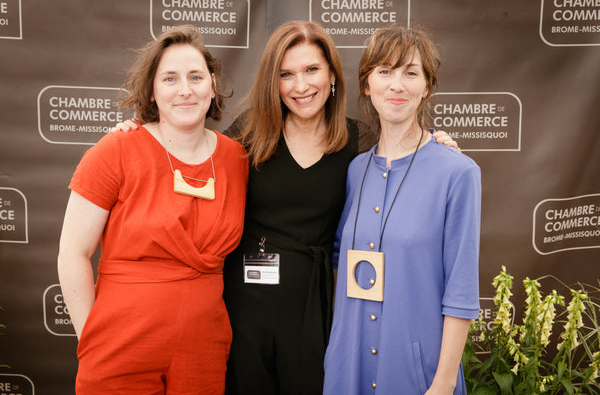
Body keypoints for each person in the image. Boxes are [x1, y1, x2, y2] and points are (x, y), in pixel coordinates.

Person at [112, 21, 459, 395]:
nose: (301, 85)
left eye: (311, 70)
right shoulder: (249, 134)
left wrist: (434, 145)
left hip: (317, 313)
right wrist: (142, 133)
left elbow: (403, 157)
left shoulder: (361, 142)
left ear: (332, 75)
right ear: (273, 83)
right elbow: (189, 158)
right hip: (244, 312)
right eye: (286, 74)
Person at [57, 25, 248, 394]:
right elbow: (72, 253)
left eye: (195, 77)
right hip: (119, 346)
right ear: (152, 90)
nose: (185, 90)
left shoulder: (236, 159)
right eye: (170, 78)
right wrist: (91, 340)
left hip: (203, 350)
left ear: (212, 83)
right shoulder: (116, 151)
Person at [322, 25, 481, 395]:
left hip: (417, 372)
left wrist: (442, 382)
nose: (397, 84)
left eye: (410, 72)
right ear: (366, 84)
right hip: (350, 366)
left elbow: (460, 289)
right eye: (384, 71)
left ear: (426, 87)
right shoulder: (355, 170)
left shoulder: (457, 172)